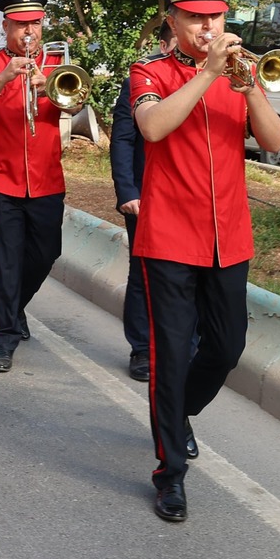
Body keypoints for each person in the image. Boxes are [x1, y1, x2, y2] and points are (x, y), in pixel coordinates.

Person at [130, 0, 280, 524]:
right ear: (172, 20)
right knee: (170, 359)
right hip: (170, 236)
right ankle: (169, 473)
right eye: (195, 16)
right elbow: (152, 129)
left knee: (226, 348)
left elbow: (272, 141)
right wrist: (205, 74)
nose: (206, 26)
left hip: (230, 238)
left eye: (215, 16)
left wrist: (249, 89)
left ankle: (179, 415)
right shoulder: (148, 71)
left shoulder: (241, 74)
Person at [0, 0, 66, 373]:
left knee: (46, 254)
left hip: (46, 180)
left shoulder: (56, 64)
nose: (28, 32)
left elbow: (79, 101)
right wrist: (5, 77)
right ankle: (4, 337)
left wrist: (49, 86)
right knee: (6, 260)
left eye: (35, 24)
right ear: (6, 26)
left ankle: (14, 305)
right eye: (21, 24)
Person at [109, 74, 151, 380]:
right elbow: (123, 138)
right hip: (146, 196)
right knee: (142, 273)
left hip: (196, 200)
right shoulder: (137, 81)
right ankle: (142, 348)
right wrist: (127, 190)